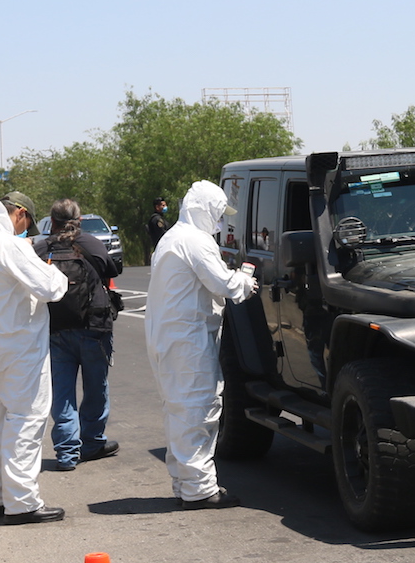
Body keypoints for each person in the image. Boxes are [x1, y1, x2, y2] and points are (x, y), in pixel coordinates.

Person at [145, 180, 258, 509]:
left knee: (179, 410)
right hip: (187, 339)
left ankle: (186, 482)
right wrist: (245, 281)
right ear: (205, 210)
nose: (221, 223)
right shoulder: (195, 241)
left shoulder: (174, 237)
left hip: (171, 337)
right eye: (219, 215)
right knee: (198, 409)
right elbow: (222, 283)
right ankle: (200, 490)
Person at [0, 190, 69, 523]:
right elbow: (51, 288)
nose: (25, 229)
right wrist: (53, 271)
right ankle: (22, 502)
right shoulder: (9, 244)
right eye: (26, 222)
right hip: (17, 347)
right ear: (18, 213)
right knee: (26, 418)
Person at [34, 199, 123, 470]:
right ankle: (93, 442)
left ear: (52, 221)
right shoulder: (91, 243)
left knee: (62, 392)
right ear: (79, 220)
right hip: (94, 326)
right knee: (96, 387)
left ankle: (66, 453)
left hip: (55, 328)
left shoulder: (41, 247)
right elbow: (113, 269)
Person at [145, 197, 172, 264]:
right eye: (163, 205)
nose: (165, 207)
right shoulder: (156, 219)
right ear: (157, 207)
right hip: (161, 249)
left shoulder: (160, 218)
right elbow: (162, 234)